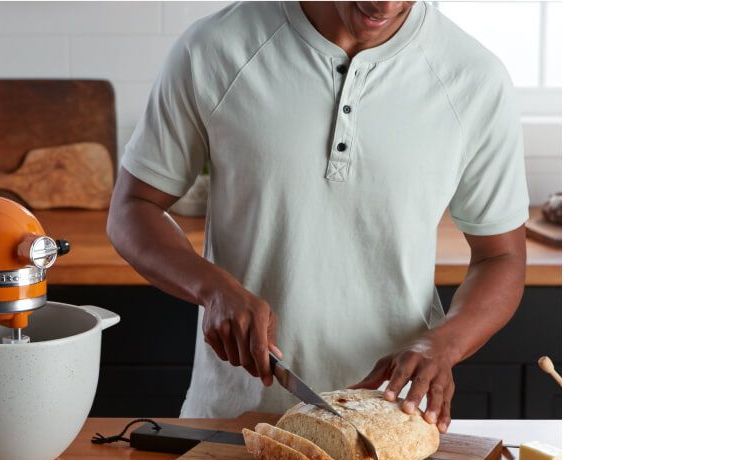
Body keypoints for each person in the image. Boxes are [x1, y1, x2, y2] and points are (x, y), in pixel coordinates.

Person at [109, 1, 528, 432]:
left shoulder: (474, 79)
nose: (384, 5)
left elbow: (502, 258)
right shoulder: (214, 49)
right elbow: (132, 208)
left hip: (392, 426)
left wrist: (444, 344)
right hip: (234, 422)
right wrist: (213, 288)